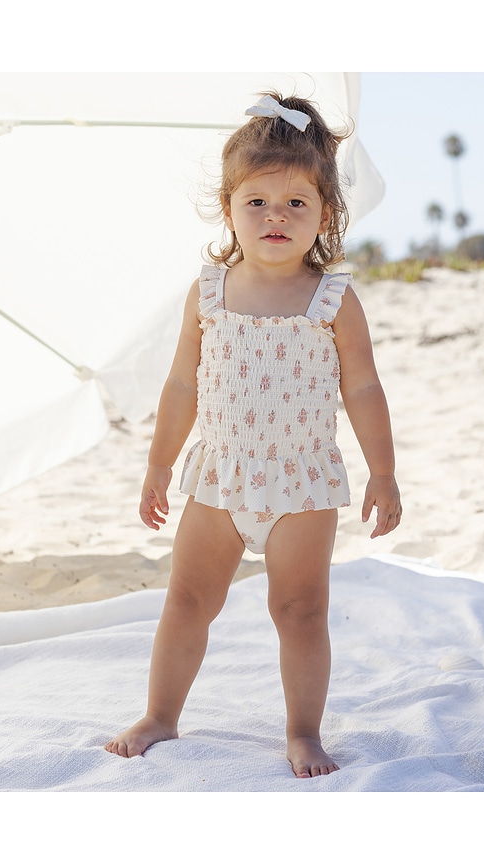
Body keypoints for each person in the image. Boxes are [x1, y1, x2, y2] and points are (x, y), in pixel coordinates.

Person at [105, 92, 402, 778]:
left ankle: (303, 731)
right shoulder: (208, 292)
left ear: (326, 214)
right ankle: (161, 714)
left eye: (297, 203)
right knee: (186, 602)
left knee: (299, 610)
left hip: (301, 481)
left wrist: (383, 473)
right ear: (229, 208)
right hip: (219, 478)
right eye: (257, 202)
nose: (276, 216)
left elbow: (363, 389)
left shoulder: (332, 298)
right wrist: (158, 466)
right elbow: (182, 384)